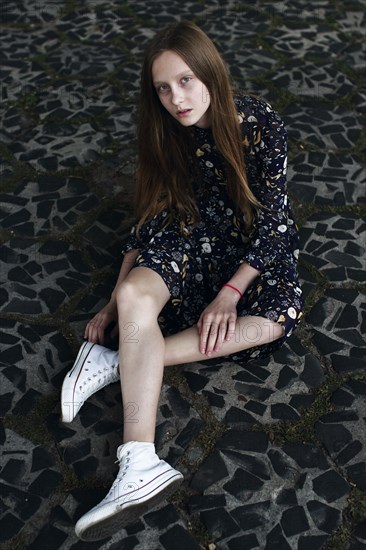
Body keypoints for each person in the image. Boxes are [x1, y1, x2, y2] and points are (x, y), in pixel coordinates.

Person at [61, 20, 303, 541]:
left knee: (274, 323)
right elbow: (151, 215)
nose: (176, 98)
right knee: (132, 296)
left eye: (187, 80)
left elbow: (278, 224)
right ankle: (139, 461)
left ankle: (121, 357)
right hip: (188, 232)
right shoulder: (163, 129)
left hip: (251, 251)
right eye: (163, 88)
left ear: (211, 73)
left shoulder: (259, 124)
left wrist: (230, 293)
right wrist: (111, 304)